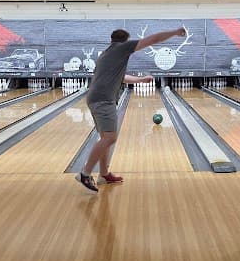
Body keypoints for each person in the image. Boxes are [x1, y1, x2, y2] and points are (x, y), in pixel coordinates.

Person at [76, 25, 187, 192]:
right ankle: (85, 173)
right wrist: (174, 32)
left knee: (105, 137)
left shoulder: (105, 55)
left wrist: (140, 80)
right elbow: (153, 40)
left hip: (96, 99)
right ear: (125, 41)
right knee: (110, 138)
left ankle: (104, 174)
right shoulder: (122, 48)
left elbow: (120, 78)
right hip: (103, 100)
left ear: (111, 39)